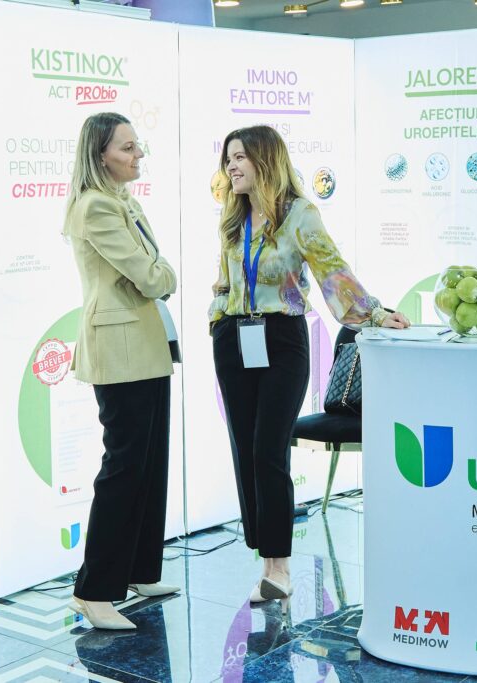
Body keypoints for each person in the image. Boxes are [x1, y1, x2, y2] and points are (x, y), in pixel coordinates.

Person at [208, 125, 409, 603]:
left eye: (240, 157)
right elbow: (224, 281)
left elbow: (331, 271)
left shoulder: (299, 214)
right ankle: (264, 556)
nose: (231, 166)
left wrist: (373, 314)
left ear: (265, 160)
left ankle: (278, 568)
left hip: (282, 341)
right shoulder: (233, 219)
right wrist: (217, 320)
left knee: (268, 449)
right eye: (228, 158)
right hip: (234, 339)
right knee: (244, 449)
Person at [64, 112, 180, 631]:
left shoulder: (123, 200)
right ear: (100, 155)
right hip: (120, 349)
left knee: (150, 462)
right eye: (127, 148)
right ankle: (93, 591)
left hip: (146, 344)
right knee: (124, 467)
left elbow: (151, 272)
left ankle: (139, 570)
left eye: (138, 146)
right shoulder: (96, 206)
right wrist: (163, 275)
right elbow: (153, 277)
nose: (138, 155)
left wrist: (158, 274)